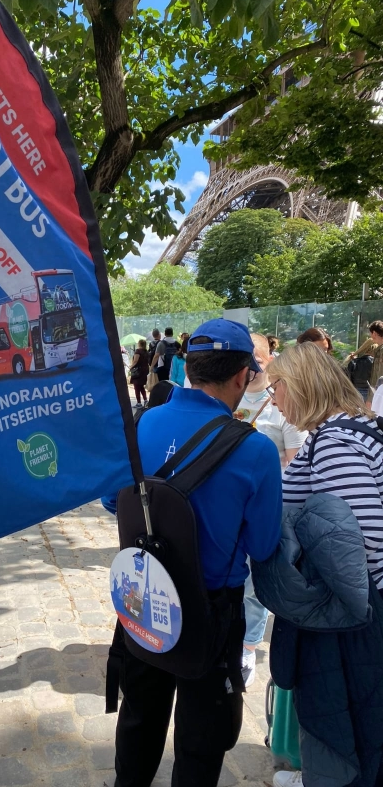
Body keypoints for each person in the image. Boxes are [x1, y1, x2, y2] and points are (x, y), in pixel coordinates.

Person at [103, 318, 282, 787]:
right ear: (243, 375)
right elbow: (264, 546)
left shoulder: (140, 423)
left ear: (189, 365)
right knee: (201, 740)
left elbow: (110, 500)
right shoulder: (256, 450)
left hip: (144, 596)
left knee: (139, 715)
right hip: (212, 614)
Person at [260, 342, 383, 787]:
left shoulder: (335, 443)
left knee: (352, 722)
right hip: (363, 610)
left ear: (300, 385)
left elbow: (360, 545)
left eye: (276, 388)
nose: (273, 399)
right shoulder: (351, 428)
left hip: (358, 617)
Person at [233, 333, 307, 686]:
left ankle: (248, 649)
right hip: (229, 505)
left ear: (270, 357)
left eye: (256, 359)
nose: (250, 367)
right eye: (244, 360)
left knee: (253, 584)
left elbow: (296, 466)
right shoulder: (227, 394)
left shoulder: (282, 404)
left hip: (266, 509)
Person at [129, 339, 150, 408]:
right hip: (145, 370)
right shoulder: (146, 352)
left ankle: (139, 402)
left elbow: (135, 361)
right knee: (141, 386)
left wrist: (130, 367)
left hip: (138, 371)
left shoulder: (138, 351)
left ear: (139, 344)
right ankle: (145, 400)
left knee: (136, 386)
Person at [369, 320, 383, 388]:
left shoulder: (381, 351)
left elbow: (379, 375)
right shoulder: (379, 350)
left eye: (370, 334)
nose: (370, 337)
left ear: (374, 333)